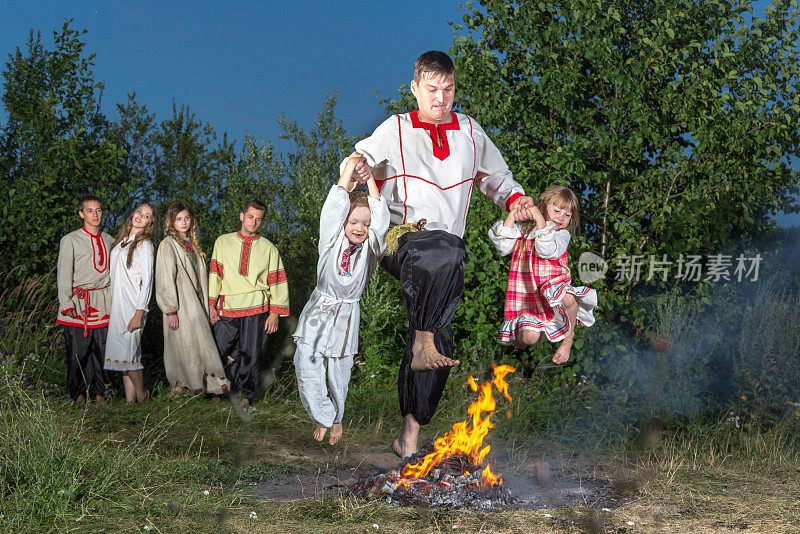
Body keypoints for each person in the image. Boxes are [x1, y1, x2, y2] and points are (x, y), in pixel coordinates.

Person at [348, 50, 535, 458]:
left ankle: (408, 435)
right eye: (431, 89)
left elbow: (498, 178)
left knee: (440, 339)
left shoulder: (470, 131)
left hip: (448, 254)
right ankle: (424, 341)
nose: (440, 98)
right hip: (403, 242)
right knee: (445, 249)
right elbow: (357, 158)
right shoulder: (395, 128)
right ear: (415, 88)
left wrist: (516, 200)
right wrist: (358, 169)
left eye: (448, 89)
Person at [293, 156, 390, 445]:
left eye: (365, 223)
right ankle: (322, 414)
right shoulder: (330, 241)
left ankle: (336, 419)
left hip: (346, 315)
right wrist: (350, 169)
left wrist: (370, 178)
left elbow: (381, 223)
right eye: (353, 221)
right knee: (305, 363)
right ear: (343, 221)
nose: (359, 227)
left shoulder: (372, 249)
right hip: (319, 308)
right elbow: (333, 207)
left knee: (338, 371)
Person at [489, 185, 597, 364]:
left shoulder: (561, 235)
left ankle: (567, 340)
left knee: (569, 299)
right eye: (556, 210)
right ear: (543, 206)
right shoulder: (524, 231)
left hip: (552, 285)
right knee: (529, 338)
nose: (561, 217)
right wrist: (512, 215)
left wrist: (539, 219)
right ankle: (523, 340)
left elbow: (546, 250)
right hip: (528, 293)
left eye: (567, 215)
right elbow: (502, 247)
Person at [208, 199, 290, 407]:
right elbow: (215, 275)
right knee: (222, 350)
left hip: (258, 307)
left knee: (252, 354)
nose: (253, 222)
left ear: (262, 222)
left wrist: (274, 313)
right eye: (250, 216)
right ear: (242, 216)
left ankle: (246, 395)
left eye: (259, 219)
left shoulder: (268, 248)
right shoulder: (222, 242)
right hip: (227, 306)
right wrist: (211, 304)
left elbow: (277, 280)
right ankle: (220, 392)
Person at [155, 202, 230, 396]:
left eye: (186, 218)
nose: (183, 222)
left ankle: (202, 388)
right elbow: (165, 278)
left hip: (197, 304)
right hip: (180, 305)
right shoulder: (168, 244)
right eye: (178, 219)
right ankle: (181, 388)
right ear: (171, 222)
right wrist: (170, 309)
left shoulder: (192, 245)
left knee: (198, 345)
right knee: (183, 346)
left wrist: (207, 307)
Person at [56, 195, 114, 404]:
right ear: (81, 214)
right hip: (79, 302)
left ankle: (101, 393)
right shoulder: (70, 240)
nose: (95, 215)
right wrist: (67, 302)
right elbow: (64, 274)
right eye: (89, 211)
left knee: (103, 351)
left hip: (103, 302)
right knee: (77, 353)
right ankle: (77, 394)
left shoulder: (110, 240)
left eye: (98, 210)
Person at [104, 203, 157, 403]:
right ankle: (130, 402)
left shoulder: (145, 245)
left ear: (150, 223)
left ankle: (143, 396)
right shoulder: (121, 241)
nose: (140, 216)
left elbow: (147, 282)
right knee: (122, 358)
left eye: (146, 216)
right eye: (139, 212)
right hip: (118, 304)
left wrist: (139, 312)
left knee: (131, 354)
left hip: (133, 305)